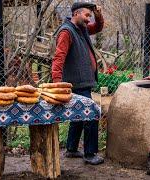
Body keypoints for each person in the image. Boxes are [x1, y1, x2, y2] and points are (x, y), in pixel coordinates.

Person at [51, 2, 104, 165]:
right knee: (91, 115)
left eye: (90, 16)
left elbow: (98, 27)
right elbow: (58, 59)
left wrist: (98, 15)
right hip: (76, 84)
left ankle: (72, 149)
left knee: (79, 116)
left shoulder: (81, 29)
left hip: (83, 82)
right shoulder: (67, 32)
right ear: (76, 13)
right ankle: (90, 154)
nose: (89, 19)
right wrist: (57, 85)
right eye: (87, 15)